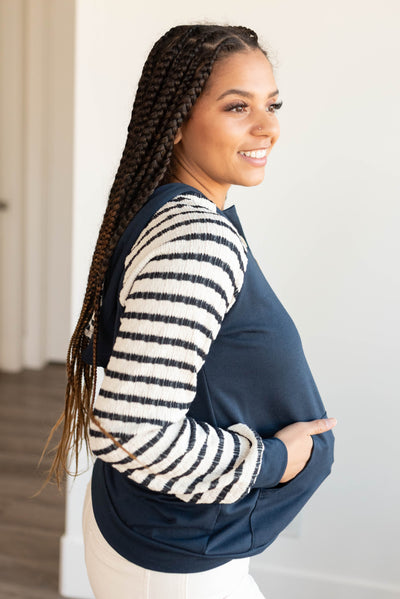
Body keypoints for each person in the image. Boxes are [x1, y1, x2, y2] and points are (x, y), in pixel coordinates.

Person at [43, 24, 336, 599]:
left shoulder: (186, 212)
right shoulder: (195, 239)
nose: (267, 127)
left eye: (271, 104)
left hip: (171, 536)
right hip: (177, 556)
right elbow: (129, 432)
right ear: (177, 121)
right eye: (237, 107)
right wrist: (275, 461)